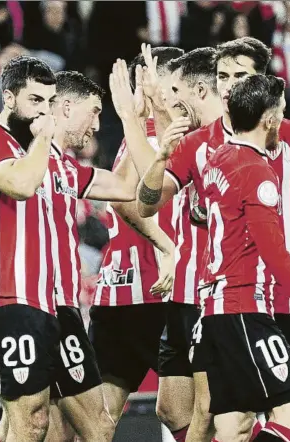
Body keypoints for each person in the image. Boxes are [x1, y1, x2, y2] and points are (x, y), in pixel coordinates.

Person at [136, 37, 290, 440]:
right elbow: (149, 204)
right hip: (245, 295)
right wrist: (160, 155)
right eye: (222, 76)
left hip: (274, 297)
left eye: (240, 75)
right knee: (284, 411)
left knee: (236, 420)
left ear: (260, 82)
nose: (229, 84)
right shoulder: (206, 147)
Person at [190, 74, 290, 442]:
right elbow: (274, 252)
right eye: (281, 113)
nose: (283, 122)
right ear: (269, 119)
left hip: (216, 309)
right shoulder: (257, 171)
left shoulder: (219, 158)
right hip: (244, 306)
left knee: (231, 428)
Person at [109, 44, 222, 441]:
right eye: (163, 87)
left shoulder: (215, 136)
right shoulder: (172, 132)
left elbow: (140, 197)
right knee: (174, 408)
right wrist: (139, 117)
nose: (168, 95)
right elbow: (142, 195)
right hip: (175, 286)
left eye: (173, 88)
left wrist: (137, 117)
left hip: (211, 285)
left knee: (217, 409)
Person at [45, 70, 155, 441]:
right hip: (31, 308)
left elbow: (123, 189)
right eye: (92, 112)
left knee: (54, 425)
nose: (96, 124)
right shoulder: (25, 159)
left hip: (63, 308)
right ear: (65, 106)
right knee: (42, 423)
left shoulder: (66, 167)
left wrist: (133, 120)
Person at [0, 56, 60, 442]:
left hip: (37, 301)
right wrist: (47, 137)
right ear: (9, 97)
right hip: (5, 297)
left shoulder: (30, 149)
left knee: (20, 424)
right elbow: (19, 185)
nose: (44, 112)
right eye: (35, 100)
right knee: (31, 421)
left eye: (50, 102)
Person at [89, 46, 182, 429]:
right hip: (156, 292)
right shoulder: (154, 134)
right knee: (187, 411)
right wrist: (167, 246)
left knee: (98, 419)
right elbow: (128, 198)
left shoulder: (145, 132)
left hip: (116, 290)